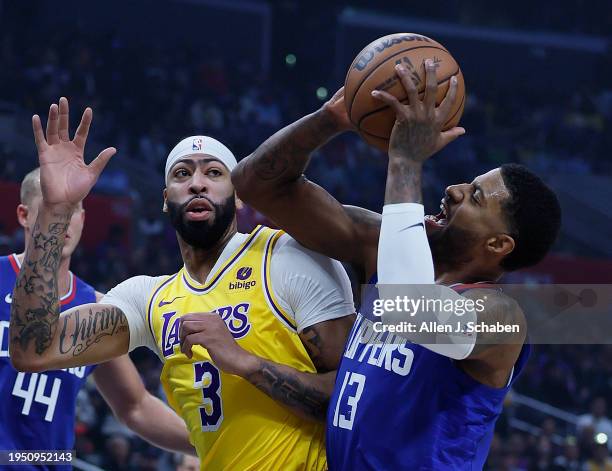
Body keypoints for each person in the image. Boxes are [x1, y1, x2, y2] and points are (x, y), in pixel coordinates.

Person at [232, 60, 562, 469]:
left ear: (498, 245)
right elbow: (253, 184)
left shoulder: (501, 318)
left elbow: (410, 309)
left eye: (476, 198)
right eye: (468, 183)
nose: (455, 190)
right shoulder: (379, 246)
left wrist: (405, 159)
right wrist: (329, 120)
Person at [10, 98, 355, 470]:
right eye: (181, 174)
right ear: (164, 200)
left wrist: (246, 363)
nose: (196, 184)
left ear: (238, 195)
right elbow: (34, 352)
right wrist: (56, 211)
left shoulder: (289, 258)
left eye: (214, 173)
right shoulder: (149, 298)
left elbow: (357, 398)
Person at [0, 168, 194, 470]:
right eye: (53, 209)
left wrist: (208, 442)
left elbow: (135, 406)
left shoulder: (96, 307)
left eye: (72, 210)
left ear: (83, 219)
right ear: (24, 215)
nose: (63, 221)